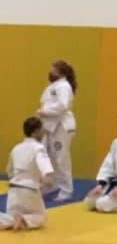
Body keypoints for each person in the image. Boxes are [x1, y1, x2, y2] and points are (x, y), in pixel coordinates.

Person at [0, 117, 54, 230]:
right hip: (30, 190)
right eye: (41, 129)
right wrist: (47, 182)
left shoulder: (16, 148)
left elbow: (9, 172)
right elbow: (47, 172)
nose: (43, 132)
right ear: (36, 131)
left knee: (10, 217)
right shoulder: (39, 148)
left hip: (13, 191)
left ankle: (11, 219)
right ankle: (23, 219)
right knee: (41, 217)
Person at [37, 60, 77, 201]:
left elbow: (63, 105)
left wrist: (44, 111)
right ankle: (50, 184)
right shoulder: (54, 86)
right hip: (50, 126)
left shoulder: (63, 86)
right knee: (45, 156)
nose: (50, 72)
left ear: (61, 72)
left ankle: (66, 190)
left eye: (53, 70)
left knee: (61, 159)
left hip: (61, 127)